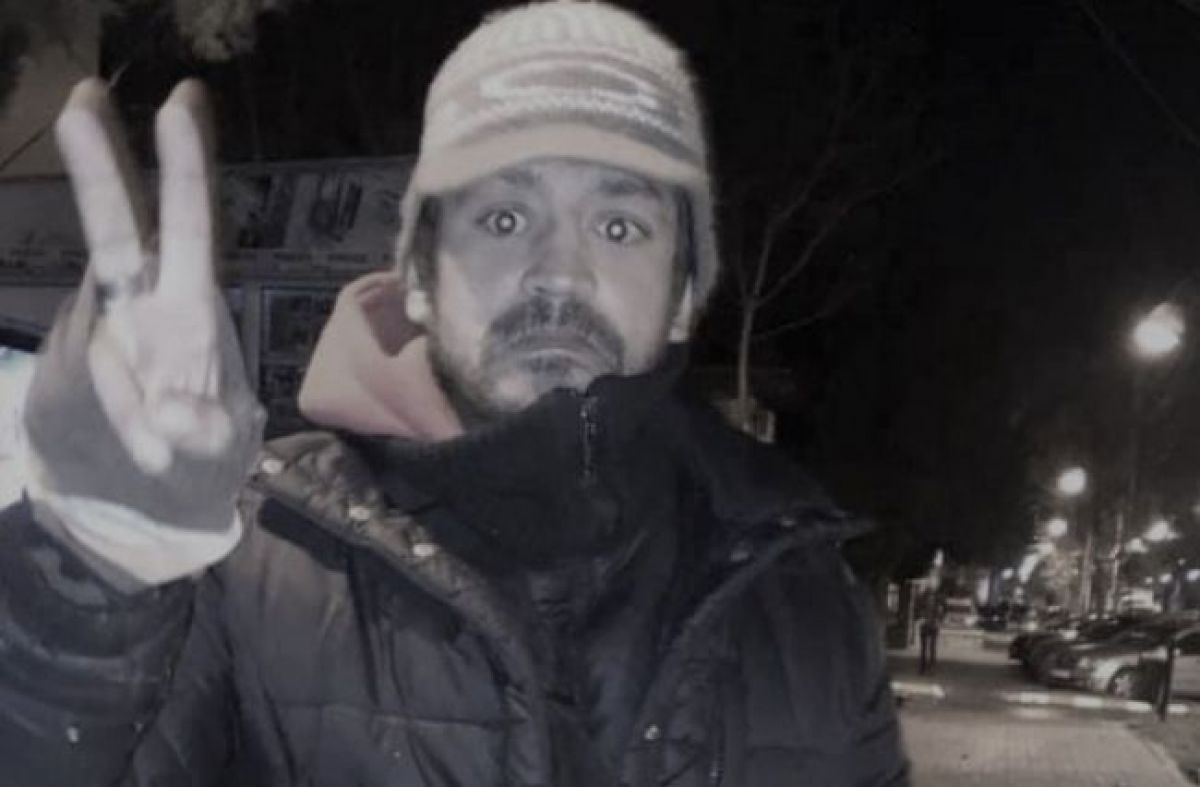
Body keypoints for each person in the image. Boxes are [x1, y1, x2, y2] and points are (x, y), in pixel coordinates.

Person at [0, 3, 907, 785]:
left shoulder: (808, 610)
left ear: (682, 296)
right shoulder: (248, 562)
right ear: (420, 279)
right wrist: (84, 586)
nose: (560, 272)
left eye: (620, 224)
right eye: (504, 217)